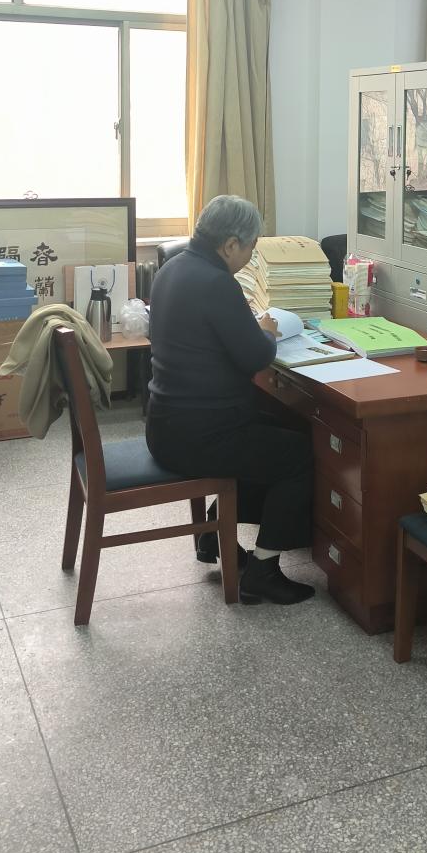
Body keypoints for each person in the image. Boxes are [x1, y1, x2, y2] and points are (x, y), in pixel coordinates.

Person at [145, 194, 315, 605]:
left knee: (274, 430)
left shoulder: (171, 269)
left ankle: (213, 532)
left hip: (166, 424)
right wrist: (268, 332)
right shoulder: (217, 282)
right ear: (230, 244)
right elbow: (256, 357)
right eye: (250, 248)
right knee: (302, 456)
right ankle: (263, 570)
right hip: (202, 437)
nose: (250, 257)